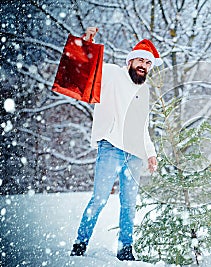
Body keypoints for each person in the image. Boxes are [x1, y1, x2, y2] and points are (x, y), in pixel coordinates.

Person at [70, 27, 162, 261]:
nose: (143, 65)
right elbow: (85, 68)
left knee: (129, 205)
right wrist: (86, 43)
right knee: (99, 198)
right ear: (130, 61)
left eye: (147, 63)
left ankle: (125, 249)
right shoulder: (112, 74)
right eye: (140, 60)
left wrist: (150, 153)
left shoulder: (146, 90)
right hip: (110, 147)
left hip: (135, 154)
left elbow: (143, 126)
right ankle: (80, 245)